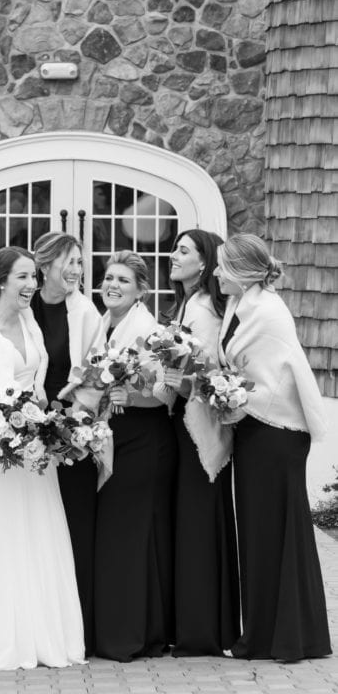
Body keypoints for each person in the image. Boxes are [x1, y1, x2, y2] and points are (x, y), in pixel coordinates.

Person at [0, 246, 85, 670]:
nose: (32, 284)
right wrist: (9, 430)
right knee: (5, 539)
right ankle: (5, 640)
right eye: (22, 277)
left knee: (41, 535)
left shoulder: (30, 322)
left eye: (33, 276)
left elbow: (39, 381)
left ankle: (47, 637)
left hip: (37, 453)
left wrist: (46, 423)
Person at [215, 233, 331, 662]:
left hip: (275, 432)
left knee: (275, 534)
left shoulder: (268, 312)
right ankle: (273, 635)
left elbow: (275, 380)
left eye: (223, 265)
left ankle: (280, 639)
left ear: (243, 272)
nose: (215, 272)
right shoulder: (241, 305)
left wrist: (230, 399)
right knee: (261, 535)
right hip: (256, 431)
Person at [82, 251, 176, 661]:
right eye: (108, 277)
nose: (112, 285)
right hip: (112, 437)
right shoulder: (102, 325)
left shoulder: (150, 333)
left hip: (143, 441)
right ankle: (114, 631)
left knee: (132, 537)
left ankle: (135, 636)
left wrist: (132, 397)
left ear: (141, 290)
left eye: (122, 280)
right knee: (116, 536)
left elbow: (165, 394)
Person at [165, 229, 240, 656]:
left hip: (199, 429)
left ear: (205, 262)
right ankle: (191, 625)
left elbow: (209, 370)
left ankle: (202, 630)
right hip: (182, 425)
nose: (174, 255)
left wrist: (181, 382)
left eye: (184, 250)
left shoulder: (206, 309)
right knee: (188, 524)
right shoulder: (186, 305)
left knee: (197, 525)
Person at [30, 231, 101, 654]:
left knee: (75, 525)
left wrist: (73, 416)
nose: (75, 271)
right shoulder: (23, 305)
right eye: (68, 262)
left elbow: (95, 372)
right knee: (36, 527)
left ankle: (78, 627)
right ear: (45, 265)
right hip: (27, 427)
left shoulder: (85, 312)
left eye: (79, 263)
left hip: (72, 430)